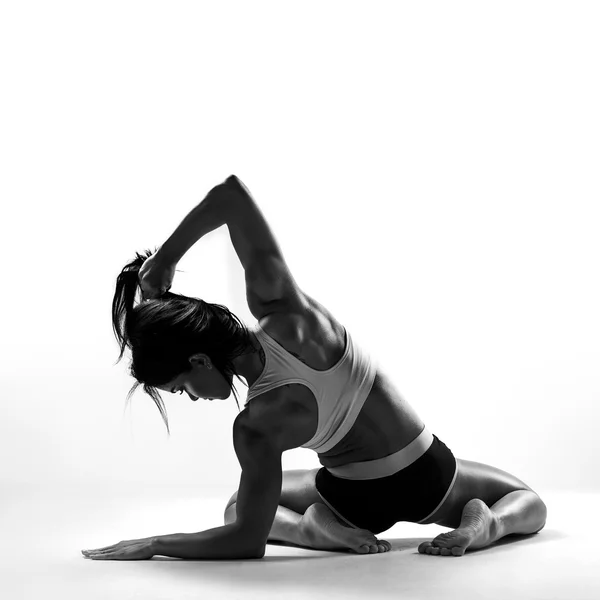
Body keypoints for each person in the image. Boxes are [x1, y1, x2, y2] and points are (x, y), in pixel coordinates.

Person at [95, 175, 546, 561]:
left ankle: (313, 530)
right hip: (428, 476)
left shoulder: (254, 427)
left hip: (351, 501)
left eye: (181, 387)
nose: (192, 397)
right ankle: (488, 527)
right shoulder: (287, 312)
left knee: (239, 507)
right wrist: (169, 257)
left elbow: (245, 539)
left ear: (198, 358)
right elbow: (230, 194)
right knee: (526, 501)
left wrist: (156, 543)